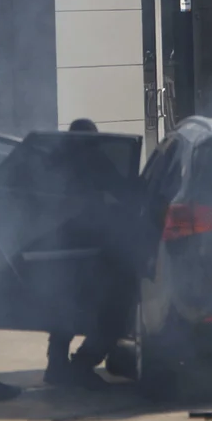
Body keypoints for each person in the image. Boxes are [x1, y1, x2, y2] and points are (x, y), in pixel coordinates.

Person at [43, 118, 138, 390]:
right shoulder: (94, 161)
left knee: (65, 311)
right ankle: (81, 366)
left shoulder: (53, 162)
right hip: (89, 250)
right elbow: (124, 191)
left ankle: (58, 366)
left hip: (58, 248)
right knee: (114, 315)